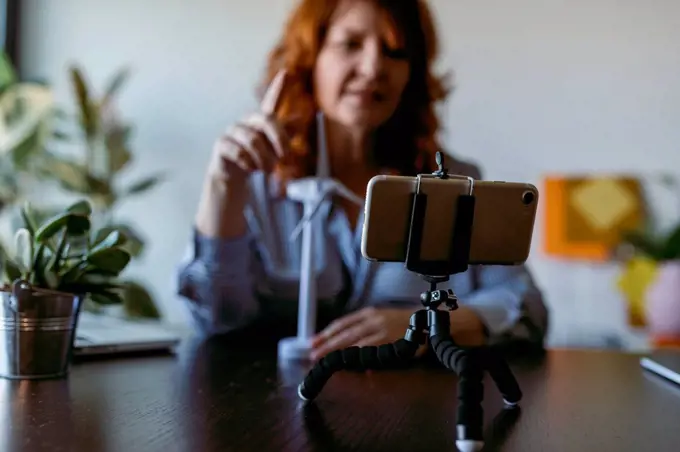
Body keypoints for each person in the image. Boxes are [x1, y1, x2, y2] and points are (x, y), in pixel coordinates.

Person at [177, 0, 549, 360]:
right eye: (350, 44)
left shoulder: (455, 184)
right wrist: (223, 186)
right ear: (310, 60)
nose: (373, 67)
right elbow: (216, 317)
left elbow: (526, 306)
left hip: (413, 412)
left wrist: (427, 325)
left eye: (395, 52)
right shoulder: (254, 181)